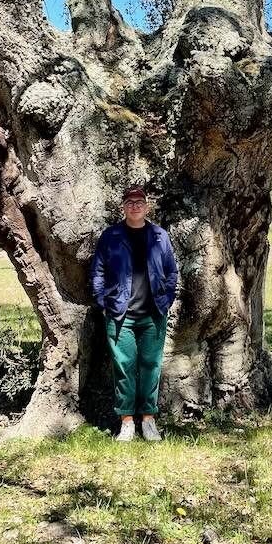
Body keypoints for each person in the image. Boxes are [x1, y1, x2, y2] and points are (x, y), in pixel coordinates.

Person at [90, 185, 178, 442]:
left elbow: (171, 272)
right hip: (120, 316)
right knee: (124, 367)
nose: (135, 206)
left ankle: (148, 420)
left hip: (153, 314)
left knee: (151, 366)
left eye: (139, 202)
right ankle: (127, 421)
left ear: (146, 206)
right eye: (130, 202)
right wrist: (103, 302)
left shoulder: (160, 236)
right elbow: (98, 272)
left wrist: (167, 299)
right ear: (123, 207)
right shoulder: (111, 236)